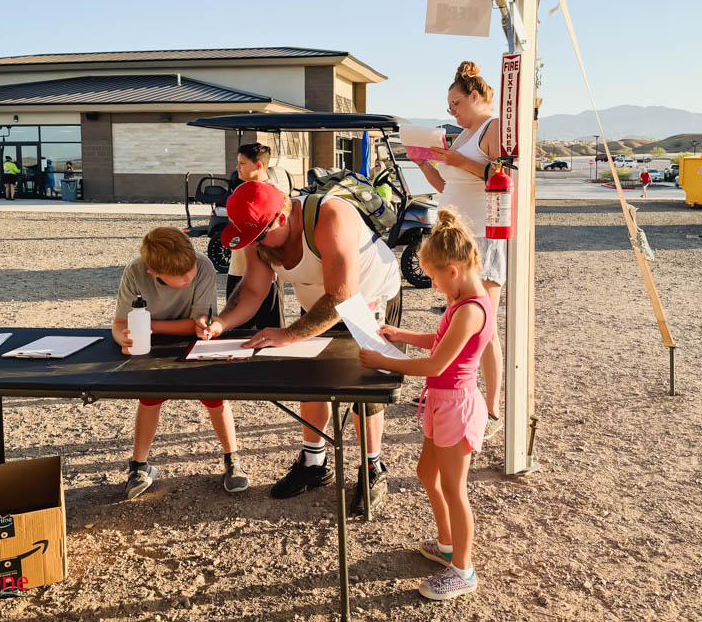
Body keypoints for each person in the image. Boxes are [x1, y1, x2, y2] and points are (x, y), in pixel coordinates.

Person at [201, 181, 401, 514]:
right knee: (312, 379)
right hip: (321, 302)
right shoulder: (259, 232)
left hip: (368, 298)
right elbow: (253, 290)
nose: (256, 245)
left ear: (280, 217)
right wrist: (222, 322)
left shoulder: (330, 216)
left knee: (364, 385)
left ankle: (372, 467)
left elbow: (341, 296)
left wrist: (289, 334)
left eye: (259, 237)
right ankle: (313, 462)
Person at [359, 208, 491, 601]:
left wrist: (385, 360)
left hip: (457, 405)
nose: (433, 285)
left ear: (452, 270)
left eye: (433, 278)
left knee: (454, 488)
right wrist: (400, 334)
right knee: (427, 474)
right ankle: (448, 545)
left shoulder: (470, 309)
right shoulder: (462, 299)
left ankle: (463, 570)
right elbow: (439, 343)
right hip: (442, 402)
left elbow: (436, 363)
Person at [112, 227, 248, 499]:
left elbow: (197, 323)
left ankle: (232, 458)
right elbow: (118, 324)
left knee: (214, 397)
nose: (190, 277)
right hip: (151, 346)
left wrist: (150, 325)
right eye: (181, 276)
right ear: (155, 273)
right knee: (149, 398)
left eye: (190, 270)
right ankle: (139, 465)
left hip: (192, 344)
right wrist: (124, 339)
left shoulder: (203, 265)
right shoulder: (136, 271)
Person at [414, 60, 505, 441]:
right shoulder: (463, 135)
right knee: (456, 315)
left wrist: (459, 161)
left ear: (476, 96)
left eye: (456, 104)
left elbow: (504, 176)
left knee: (484, 323)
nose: (452, 112)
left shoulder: (492, 127)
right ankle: (458, 387)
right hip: (456, 234)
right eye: (448, 107)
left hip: (483, 234)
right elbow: (445, 186)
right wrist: (423, 161)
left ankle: (493, 408)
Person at [225, 143, 285, 330]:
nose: (238, 167)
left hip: (267, 273)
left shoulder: (275, 195)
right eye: (238, 163)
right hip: (238, 268)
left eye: (242, 163)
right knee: (237, 332)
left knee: (269, 331)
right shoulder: (240, 192)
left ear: (259, 165)